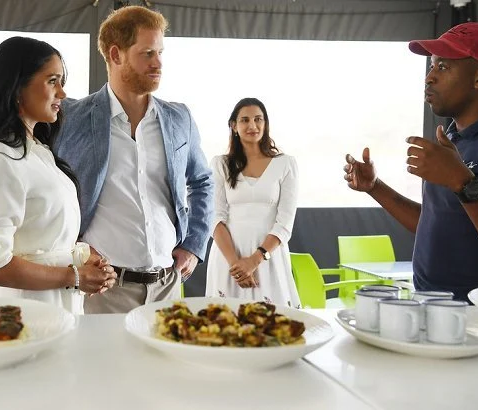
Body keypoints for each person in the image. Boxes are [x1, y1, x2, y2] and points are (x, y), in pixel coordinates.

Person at [343, 22, 478, 301]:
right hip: (431, 303)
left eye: (443, 67)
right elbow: (434, 223)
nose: (429, 77)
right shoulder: (453, 140)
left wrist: (462, 181)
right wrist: (375, 187)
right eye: (432, 66)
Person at [54, 6, 214, 314]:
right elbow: (49, 188)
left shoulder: (179, 118)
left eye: (161, 53)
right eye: (148, 53)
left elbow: (203, 181)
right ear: (116, 55)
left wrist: (194, 244)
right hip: (105, 288)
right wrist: (74, 247)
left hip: (168, 284)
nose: (158, 63)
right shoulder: (70, 118)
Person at [0, 37, 116, 313]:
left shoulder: (39, 152)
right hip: (24, 316)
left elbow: (42, 237)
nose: (63, 94)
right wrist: (75, 277)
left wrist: (83, 258)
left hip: (58, 311)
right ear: (17, 87)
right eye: (52, 81)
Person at [205, 98, 301, 307]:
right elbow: (215, 218)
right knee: (223, 327)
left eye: (258, 119)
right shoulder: (220, 164)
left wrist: (254, 260)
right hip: (229, 259)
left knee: (275, 328)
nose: (252, 126)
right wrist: (237, 266)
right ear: (234, 126)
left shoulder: (285, 164)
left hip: (268, 259)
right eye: (245, 120)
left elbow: (285, 223)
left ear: (265, 124)